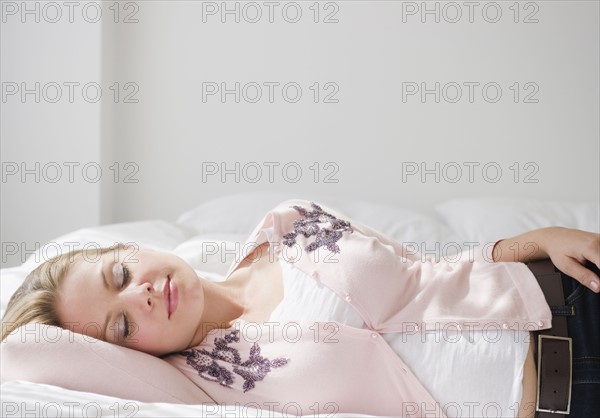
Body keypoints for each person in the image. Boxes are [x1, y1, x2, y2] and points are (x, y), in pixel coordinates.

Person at [1, 199, 599, 417]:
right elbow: (26, 353)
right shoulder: (202, 387)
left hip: (565, 295)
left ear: (131, 249)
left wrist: (534, 241)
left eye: (121, 273)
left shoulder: (287, 226)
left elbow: (424, 270)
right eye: (121, 323)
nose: (143, 294)